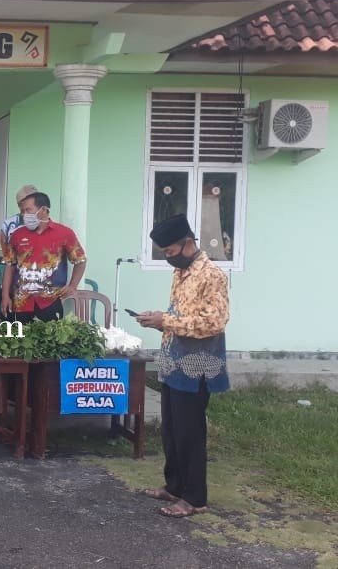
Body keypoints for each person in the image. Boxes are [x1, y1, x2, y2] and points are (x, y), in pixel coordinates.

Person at [136, 214, 230, 519]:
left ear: (188, 243)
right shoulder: (182, 271)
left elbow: (214, 323)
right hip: (174, 360)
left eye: (170, 251)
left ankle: (194, 497)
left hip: (198, 362)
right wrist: (158, 319)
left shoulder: (212, 274)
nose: (168, 258)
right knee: (171, 429)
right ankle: (174, 486)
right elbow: (181, 315)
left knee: (190, 432)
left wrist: (166, 321)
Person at [0, 192, 86, 324]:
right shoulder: (17, 235)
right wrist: (5, 295)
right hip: (20, 303)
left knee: (50, 336)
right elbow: (9, 266)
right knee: (20, 337)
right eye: (23, 211)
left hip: (50, 302)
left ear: (44, 210)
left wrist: (73, 285)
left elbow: (80, 261)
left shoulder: (64, 233)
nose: (24, 215)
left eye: (28, 210)